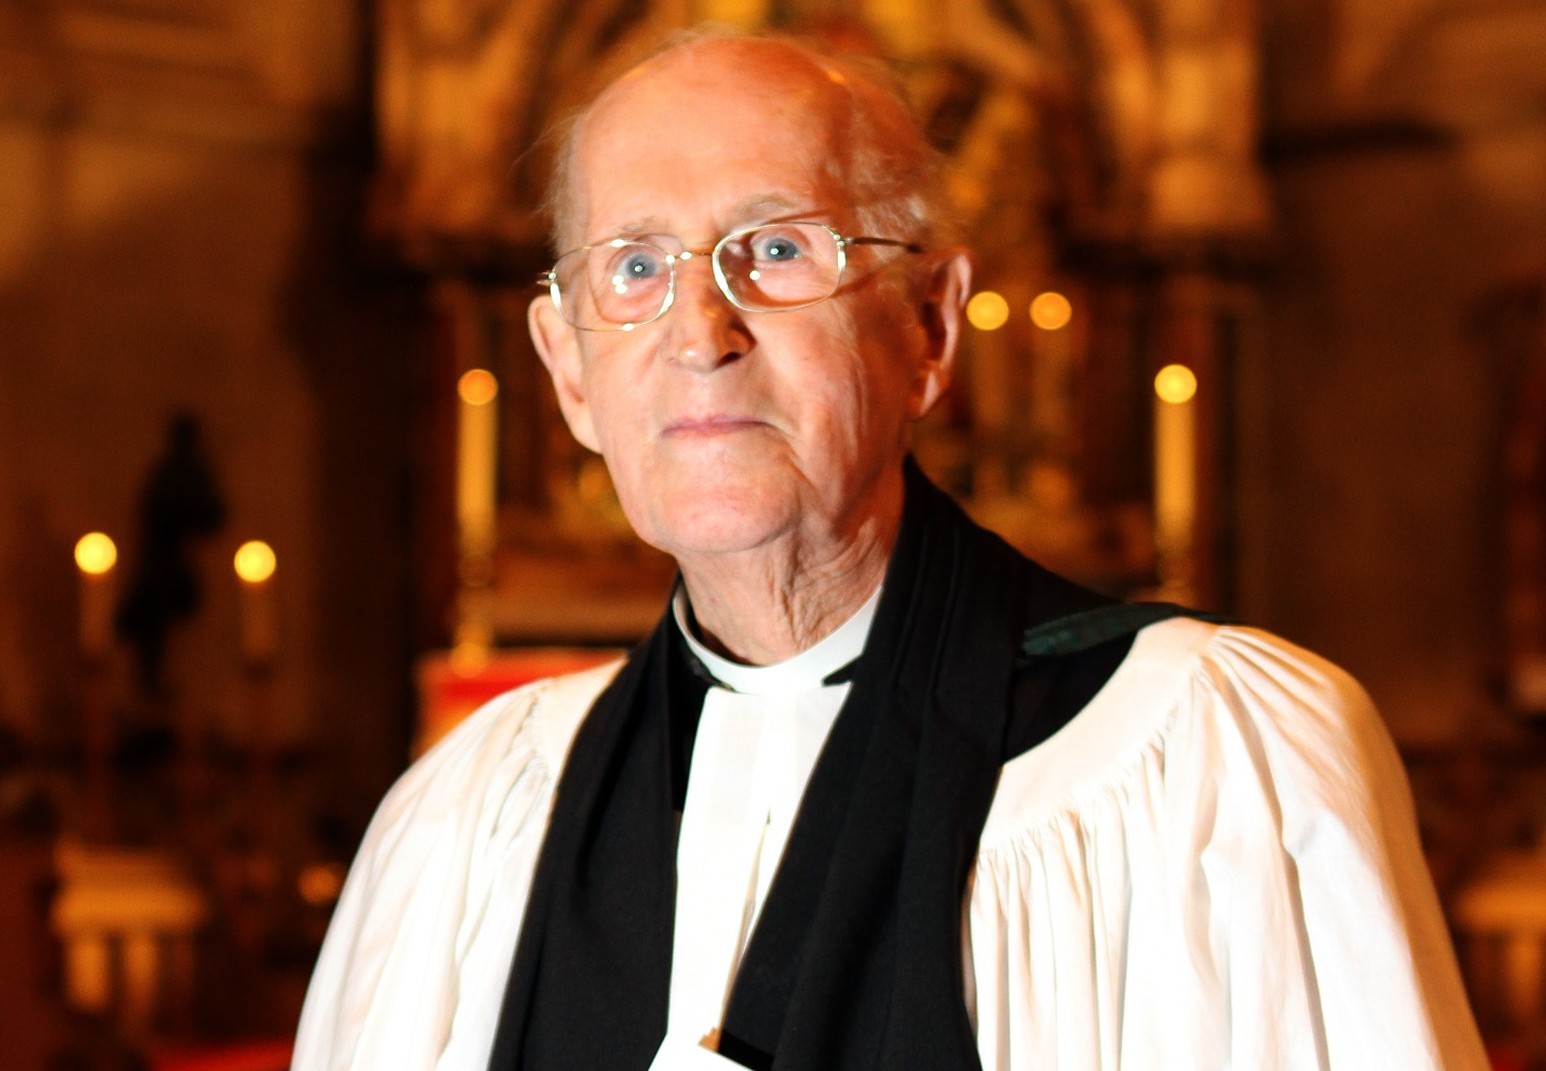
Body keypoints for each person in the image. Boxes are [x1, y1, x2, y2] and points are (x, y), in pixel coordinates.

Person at [292, 31, 1487, 1071]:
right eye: (637, 267)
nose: (699, 332)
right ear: (568, 373)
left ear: (927, 327)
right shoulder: (470, 821)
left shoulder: (1217, 766)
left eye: (776, 250)